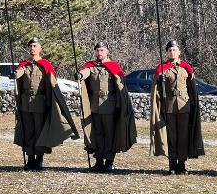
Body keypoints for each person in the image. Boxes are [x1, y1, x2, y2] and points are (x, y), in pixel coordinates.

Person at [14, 37, 79, 170]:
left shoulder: (45, 65)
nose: (32, 48)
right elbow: (18, 77)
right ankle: (30, 158)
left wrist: (51, 103)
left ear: (40, 48)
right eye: (30, 46)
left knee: (39, 131)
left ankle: (39, 158)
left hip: (40, 104)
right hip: (26, 104)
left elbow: (52, 85)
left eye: (35, 46)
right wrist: (16, 73)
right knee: (28, 131)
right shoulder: (24, 65)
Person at [77, 42, 137, 172]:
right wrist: (80, 75)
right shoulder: (91, 66)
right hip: (94, 106)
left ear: (107, 51)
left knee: (109, 134)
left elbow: (120, 87)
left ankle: (109, 161)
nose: (100, 53)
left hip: (109, 106)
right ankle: (98, 161)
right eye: (97, 50)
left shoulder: (113, 66)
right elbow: (85, 72)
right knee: (97, 133)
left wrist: (118, 106)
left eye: (102, 50)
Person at [150, 40, 204, 174]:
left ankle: (182, 163)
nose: (172, 52)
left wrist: (192, 105)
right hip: (168, 107)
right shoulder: (162, 69)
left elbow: (192, 88)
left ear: (179, 52)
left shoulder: (186, 68)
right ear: (166, 53)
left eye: (174, 50)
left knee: (183, 136)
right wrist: (159, 80)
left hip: (184, 106)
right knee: (171, 136)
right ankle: (172, 164)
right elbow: (156, 90)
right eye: (169, 50)